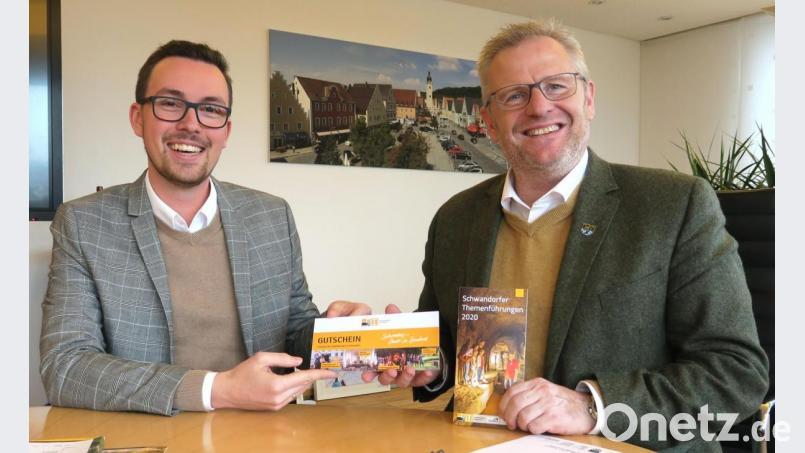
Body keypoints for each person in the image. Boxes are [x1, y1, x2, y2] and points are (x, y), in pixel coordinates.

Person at [367, 20, 768, 450]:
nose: (539, 108)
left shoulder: (673, 205)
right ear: (488, 120)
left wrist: (594, 406)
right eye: (515, 95)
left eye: (557, 86)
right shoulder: (455, 218)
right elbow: (448, 349)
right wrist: (425, 363)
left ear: (589, 98)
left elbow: (736, 373)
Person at [39, 40, 369, 416]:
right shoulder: (84, 223)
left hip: (264, 435)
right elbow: (65, 367)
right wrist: (217, 389)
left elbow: (294, 332)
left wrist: (335, 330)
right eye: (170, 103)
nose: (191, 124)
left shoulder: (272, 216)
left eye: (210, 109)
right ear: (138, 118)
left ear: (226, 131)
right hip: (147, 434)